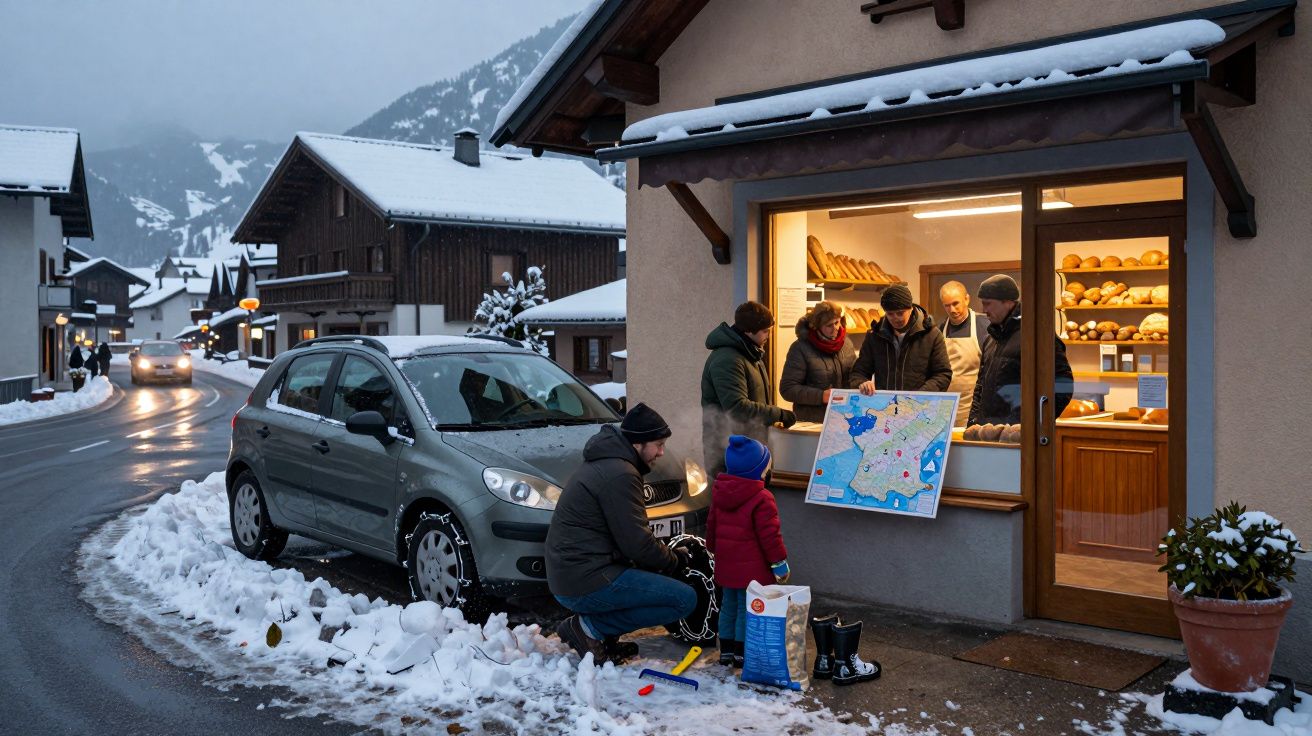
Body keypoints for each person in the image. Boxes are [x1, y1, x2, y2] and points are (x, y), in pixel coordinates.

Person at [546, 403, 696, 664]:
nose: (661, 452)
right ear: (638, 443)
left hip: (578, 571)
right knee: (682, 599)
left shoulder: (611, 464)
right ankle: (589, 629)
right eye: (658, 444)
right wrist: (674, 561)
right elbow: (637, 544)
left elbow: (628, 538)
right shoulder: (620, 474)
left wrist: (661, 559)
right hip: (583, 579)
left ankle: (603, 634)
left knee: (651, 577)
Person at [706, 435, 789, 669]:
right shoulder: (762, 498)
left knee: (728, 607)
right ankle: (741, 653)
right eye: (766, 469)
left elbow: (710, 528)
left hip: (726, 565)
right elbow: (770, 536)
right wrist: (779, 562)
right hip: (751, 570)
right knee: (746, 608)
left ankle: (726, 651)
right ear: (758, 470)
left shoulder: (719, 493)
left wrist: (713, 549)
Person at [701, 302, 796, 477]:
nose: (769, 335)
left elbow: (756, 400)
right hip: (732, 454)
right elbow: (737, 408)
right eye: (765, 331)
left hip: (750, 450)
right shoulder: (728, 359)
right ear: (748, 331)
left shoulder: (751, 354)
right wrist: (778, 414)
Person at [968, 274, 1073, 426]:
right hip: (988, 434)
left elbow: (1063, 384)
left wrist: (1032, 423)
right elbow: (980, 387)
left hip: (1022, 437)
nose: (984, 310)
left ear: (1008, 302)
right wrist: (973, 422)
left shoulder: (1036, 336)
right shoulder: (990, 339)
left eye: (988, 304)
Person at [851, 285, 952, 395]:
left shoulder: (932, 335)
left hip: (919, 406)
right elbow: (859, 372)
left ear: (911, 309)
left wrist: (920, 395)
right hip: (884, 406)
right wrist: (862, 382)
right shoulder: (875, 336)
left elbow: (943, 374)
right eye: (890, 314)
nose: (896, 318)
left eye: (900, 313)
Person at [779, 301, 856, 422]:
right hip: (813, 421)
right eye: (829, 325)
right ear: (816, 327)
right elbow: (788, 389)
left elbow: (853, 375)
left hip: (844, 419)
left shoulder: (846, 344)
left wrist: (862, 382)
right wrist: (821, 396)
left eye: (837, 322)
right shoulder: (800, 348)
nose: (835, 328)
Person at [938, 281, 991, 427]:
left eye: (956, 303)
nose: (952, 309)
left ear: (967, 299)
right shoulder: (940, 330)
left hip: (974, 408)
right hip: (945, 408)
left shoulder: (985, 326)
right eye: (947, 305)